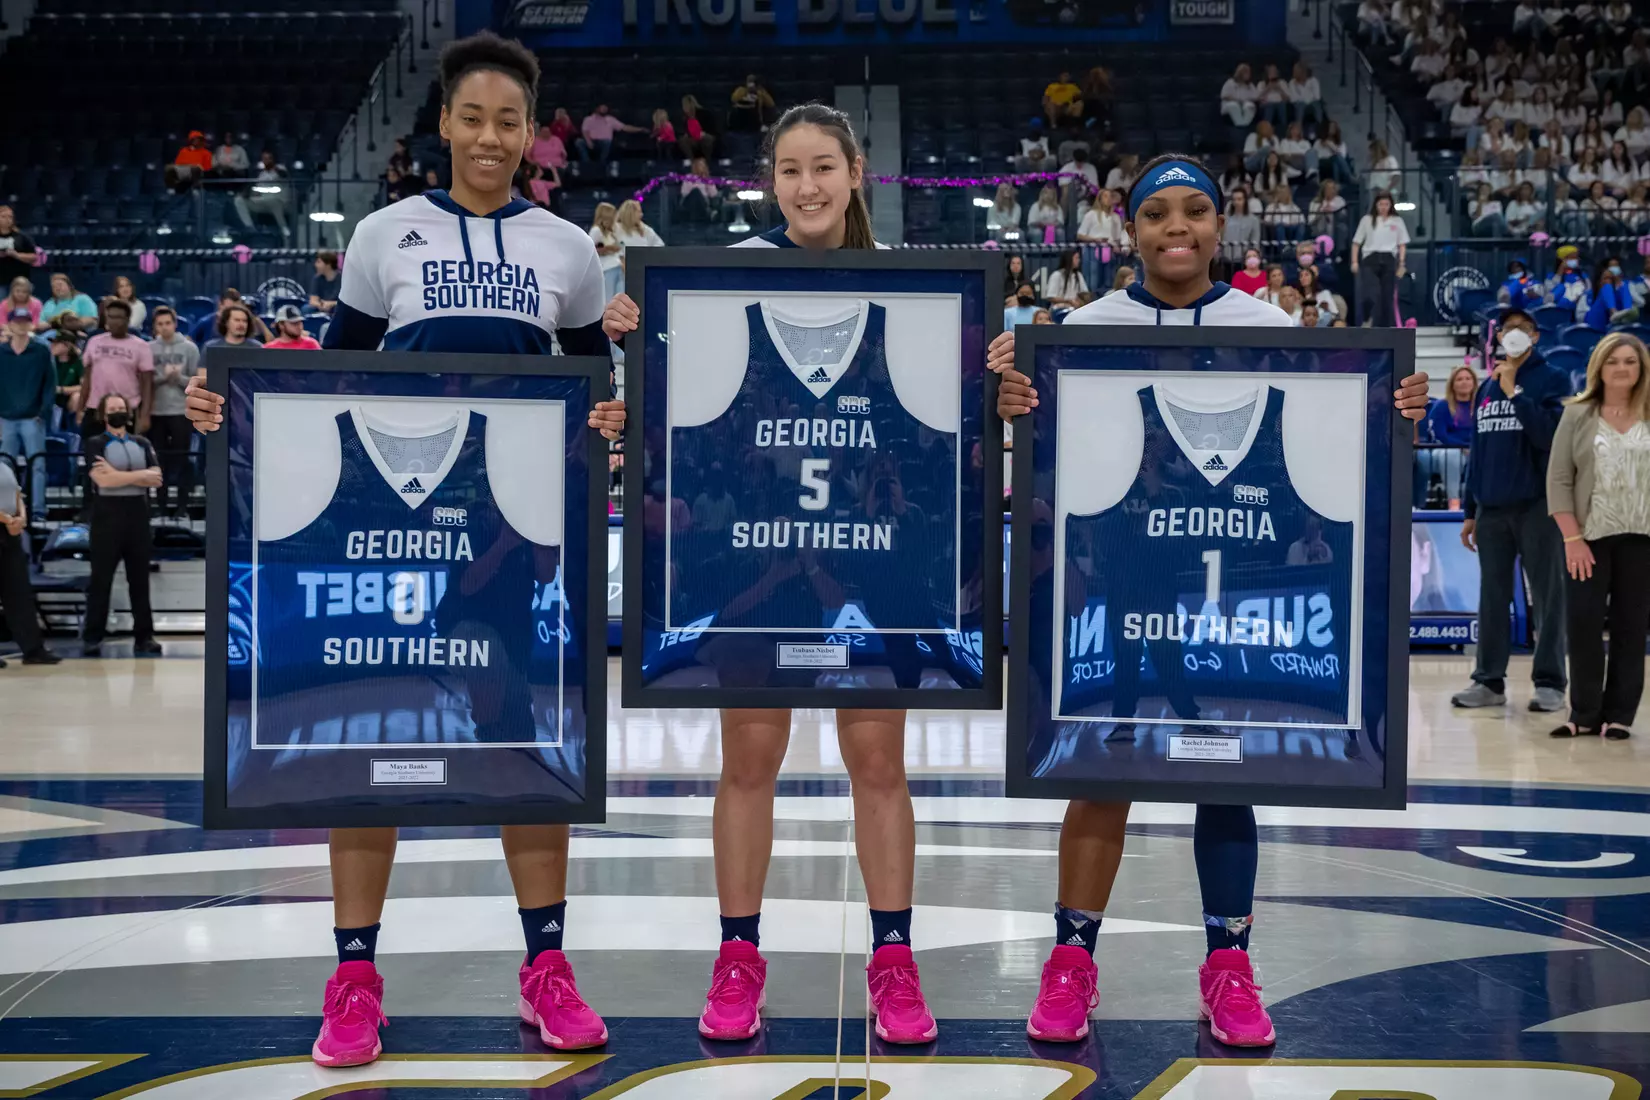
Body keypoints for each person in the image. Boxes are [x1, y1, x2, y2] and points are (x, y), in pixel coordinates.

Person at [182, 30, 625, 1070]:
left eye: (508, 120)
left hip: (511, 531)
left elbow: (594, 390)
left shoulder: (567, 250)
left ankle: (546, 966)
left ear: (532, 133)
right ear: (444, 124)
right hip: (392, 524)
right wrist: (230, 404)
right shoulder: (385, 234)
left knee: (524, 741)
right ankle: (353, 975)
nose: (489, 136)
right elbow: (325, 384)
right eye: (473, 117)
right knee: (363, 759)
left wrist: (610, 421)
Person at [987, 152, 1431, 1050]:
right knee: (1099, 768)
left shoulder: (1269, 326)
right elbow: (1049, 459)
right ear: (1130, 230)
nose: (1177, 228)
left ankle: (1228, 965)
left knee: (1229, 771)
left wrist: (1394, 410)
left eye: (1194, 210)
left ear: (1220, 224)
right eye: (1158, 214)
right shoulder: (1083, 329)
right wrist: (1013, 399)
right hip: (1126, 569)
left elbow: (1324, 444)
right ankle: (1071, 959)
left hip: (1225, 574)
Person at [599, 102, 942, 1047]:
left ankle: (893, 960)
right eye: (789, 170)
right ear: (770, 181)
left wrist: (994, 364)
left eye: (823, 166)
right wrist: (634, 334)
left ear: (856, 172)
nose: (807, 186)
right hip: (758, 548)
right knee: (750, 762)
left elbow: (935, 420)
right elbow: (681, 395)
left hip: (866, 554)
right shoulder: (724, 279)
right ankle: (738, 956)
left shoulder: (910, 290)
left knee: (879, 764)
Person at [1453, 307, 1570, 713]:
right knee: (1492, 597)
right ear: (1498, 337)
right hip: (1492, 510)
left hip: (1538, 506)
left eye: (1523, 328)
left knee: (1549, 597)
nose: (1514, 333)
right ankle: (1488, 680)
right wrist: (1471, 510)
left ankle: (1550, 682)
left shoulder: (1553, 378)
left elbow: (1550, 437)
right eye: (1507, 328)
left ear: (1535, 336)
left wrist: (1515, 393)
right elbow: (1478, 451)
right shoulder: (1486, 386)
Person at [1548, 332, 1650, 739]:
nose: (1622, 368)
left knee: (1632, 627)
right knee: (1583, 624)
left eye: (1630, 361)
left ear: (1641, 368)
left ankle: (1620, 714)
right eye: (1613, 361)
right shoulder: (1577, 413)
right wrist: (1572, 539)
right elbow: (1559, 478)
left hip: (1641, 537)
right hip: (1587, 537)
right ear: (1599, 367)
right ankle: (1585, 713)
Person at [80, 393, 162, 658]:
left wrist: (117, 475)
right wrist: (139, 476)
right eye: (112, 408)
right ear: (103, 414)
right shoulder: (95, 443)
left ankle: (144, 637)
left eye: (121, 407)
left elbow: (156, 478)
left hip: (138, 517)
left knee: (139, 581)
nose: (117, 411)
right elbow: (102, 481)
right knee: (100, 581)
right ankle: (92, 637)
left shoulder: (142, 443)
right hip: (107, 518)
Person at [0, 444, 59, 667]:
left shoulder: (5, 465)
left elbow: (18, 495)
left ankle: (33, 649)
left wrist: (21, 518)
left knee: (19, 592)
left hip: (10, 533)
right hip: (6, 524)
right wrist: (8, 519)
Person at [145, 306, 200, 518]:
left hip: (181, 411)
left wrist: (179, 378)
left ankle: (182, 507)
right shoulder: (149, 348)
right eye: (160, 324)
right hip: (157, 412)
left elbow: (197, 381)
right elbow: (145, 381)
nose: (164, 327)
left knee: (182, 459)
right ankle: (160, 506)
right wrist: (163, 377)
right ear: (154, 327)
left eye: (168, 323)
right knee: (159, 460)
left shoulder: (189, 348)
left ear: (175, 324)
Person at [0, 307, 55, 513]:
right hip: (5, 418)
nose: (21, 325)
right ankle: (6, 512)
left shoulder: (41, 351)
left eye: (25, 321)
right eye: (17, 322)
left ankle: (38, 511)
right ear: (9, 325)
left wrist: (43, 413)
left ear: (31, 324)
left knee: (38, 465)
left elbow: (50, 383)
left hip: (33, 418)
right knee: (4, 467)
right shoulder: (1, 352)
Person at [79, 300, 154, 436]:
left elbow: (147, 384)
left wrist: (145, 415)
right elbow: (87, 378)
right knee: (92, 447)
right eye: (110, 317)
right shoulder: (94, 342)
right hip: (95, 407)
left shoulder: (141, 346)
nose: (114, 321)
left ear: (127, 319)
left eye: (118, 317)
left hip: (126, 409)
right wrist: (80, 408)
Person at [1350, 192, 1409, 326]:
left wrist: (1401, 263)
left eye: (1386, 204)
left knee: (1387, 296)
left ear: (1391, 205)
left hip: (1389, 259)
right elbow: (1356, 243)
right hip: (1370, 259)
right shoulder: (1367, 220)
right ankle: (1368, 319)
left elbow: (1402, 244)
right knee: (1371, 293)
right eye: (1380, 204)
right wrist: (1354, 262)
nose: (1383, 207)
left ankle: (1385, 328)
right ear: (1376, 205)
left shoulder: (1397, 221)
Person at [589, 203, 624, 299]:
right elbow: (590, 250)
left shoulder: (610, 231)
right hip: (607, 269)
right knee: (609, 299)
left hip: (617, 267)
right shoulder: (596, 230)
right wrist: (608, 248)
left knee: (619, 299)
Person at [0, 206, 38, 292]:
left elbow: (34, 257)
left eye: (10, 217)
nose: (7, 219)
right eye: (3, 216)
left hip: (19, 281)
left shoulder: (22, 236)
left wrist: (16, 255)